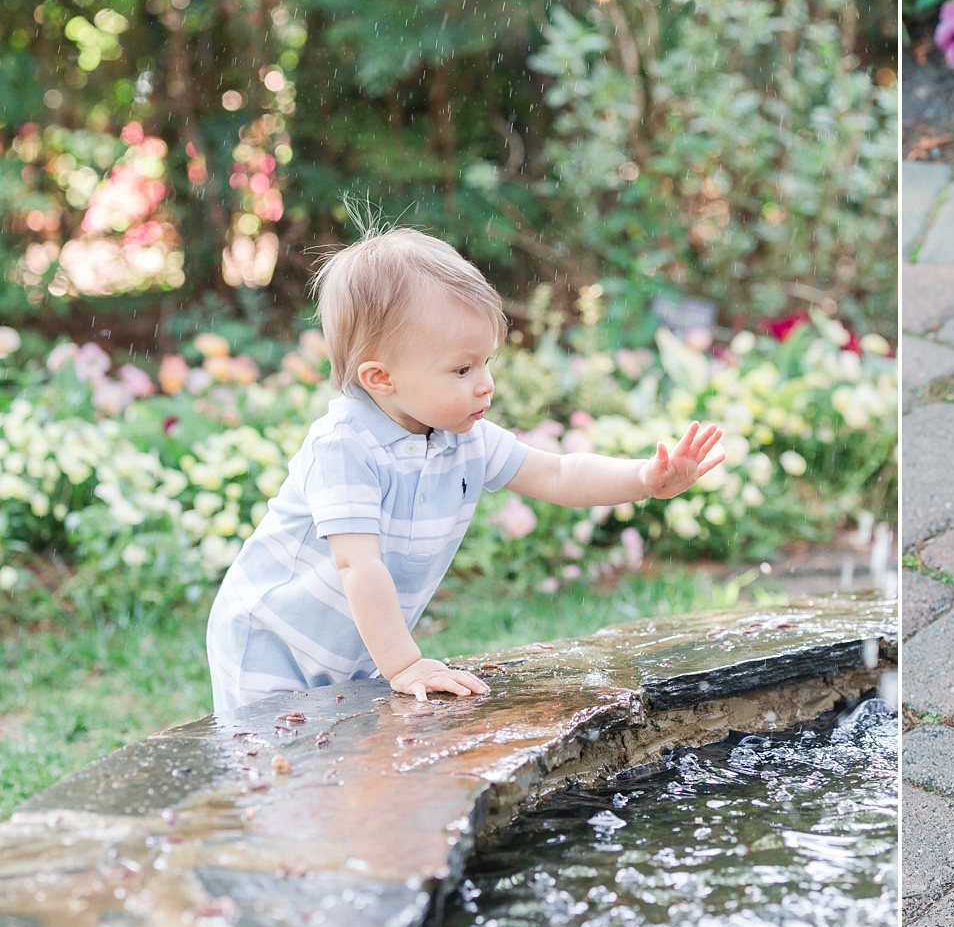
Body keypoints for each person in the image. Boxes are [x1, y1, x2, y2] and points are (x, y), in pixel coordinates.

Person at [205, 226, 724, 715]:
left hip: (354, 644)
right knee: (279, 767)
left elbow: (559, 474)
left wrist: (643, 479)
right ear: (381, 377)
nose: (485, 384)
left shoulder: (463, 437)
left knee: (344, 759)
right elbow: (357, 566)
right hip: (273, 643)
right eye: (462, 369)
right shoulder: (345, 445)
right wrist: (404, 663)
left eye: (486, 362)